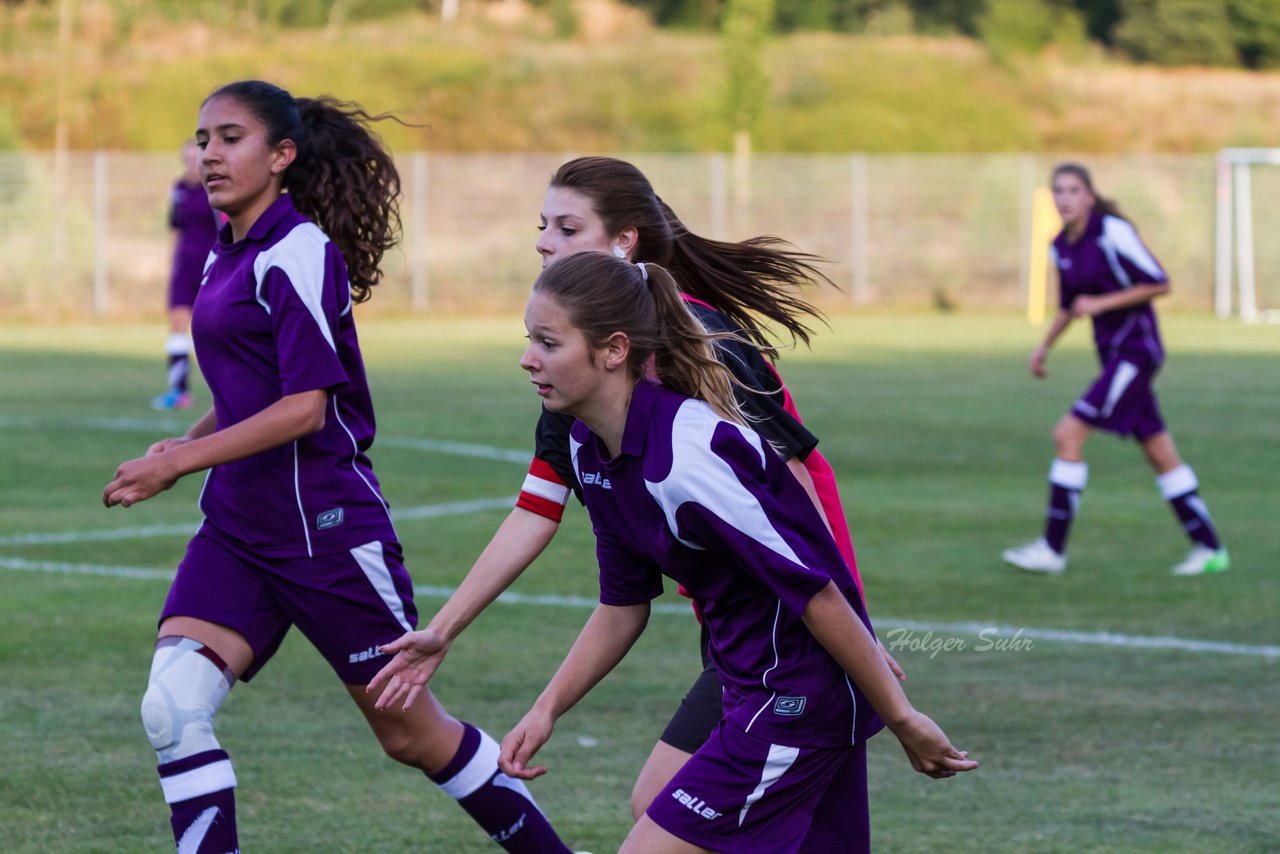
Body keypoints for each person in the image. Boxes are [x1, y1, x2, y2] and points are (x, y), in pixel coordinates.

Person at [102, 80, 572, 854]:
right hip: (239, 531)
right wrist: (180, 441)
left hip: (324, 531)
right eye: (203, 138)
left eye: (230, 137)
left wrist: (181, 461)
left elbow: (306, 407)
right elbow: (256, 390)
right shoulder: (227, 248)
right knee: (172, 708)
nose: (209, 154)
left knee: (413, 738)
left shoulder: (297, 250)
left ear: (282, 156)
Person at [375, 252, 977, 852]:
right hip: (754, 689)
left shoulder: (689, 458)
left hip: (797, 700)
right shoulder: (590, 450)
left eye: (549, 343)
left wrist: (903, 719)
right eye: (529, 339)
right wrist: (546, 709)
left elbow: (816, 588)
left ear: (614, 350)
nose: (528, 358)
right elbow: (622, 607)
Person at [1002, 162, 1229, 577]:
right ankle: (1210, 548)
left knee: (1067, 434)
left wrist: (1103, 304)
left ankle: (1052, 549)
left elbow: (1160, 281)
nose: (1064, 198)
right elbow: (1070, 304)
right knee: (1160, 453)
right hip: (1112, 356)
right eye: (1058, 191)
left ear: (1089, 195)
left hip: (1137, 352)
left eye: (1073, 190)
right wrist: (1044, 346)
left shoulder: (1111, 231)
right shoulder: (1060, 245)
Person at [152, 140, 222, 411]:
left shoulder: (216, 189)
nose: (192, 165)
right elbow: (176, 227)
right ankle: (179, 392)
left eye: (197, 159)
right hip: (184, 267)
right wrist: (171, 259)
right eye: (188, 159)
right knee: (177, 325)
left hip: (212, 266)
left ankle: (228, 391)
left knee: (215, 328)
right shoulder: (178, 189)